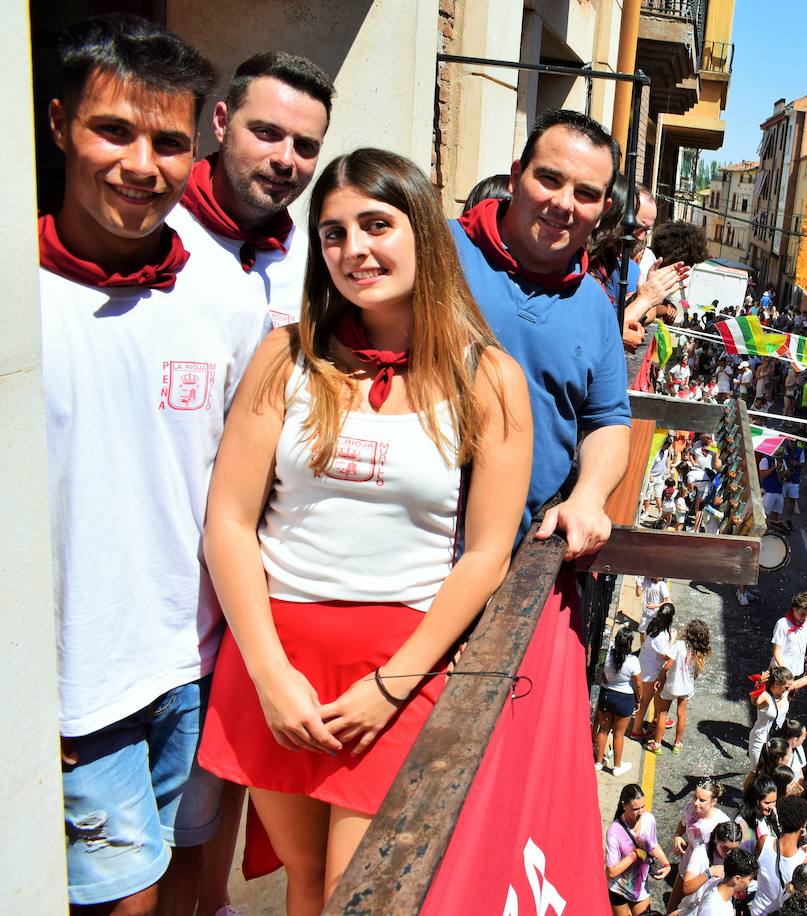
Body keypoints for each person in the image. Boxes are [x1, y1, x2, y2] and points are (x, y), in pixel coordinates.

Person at [198, 147, 532, 910]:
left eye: (376, 225)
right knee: (305, 884)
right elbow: (230, 519)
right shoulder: (286, 359)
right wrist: (269, 673)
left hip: (399, 663)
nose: (354, 250)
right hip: (275, 658)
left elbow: (485, 554)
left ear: (421, 230)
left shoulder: (490, 380)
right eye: (333, 233)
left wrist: (395, 683)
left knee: (361, 894)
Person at [41, 15, 228, 913]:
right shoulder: (18, 293)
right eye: (112, 130)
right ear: (56, 125)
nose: (142, 165)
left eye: (168, 142)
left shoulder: (222, 299)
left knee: (193, 885)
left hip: (195, 672)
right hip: (76, 695)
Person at [451, 108, 632, 555]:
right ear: (516, 177)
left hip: (510, 560)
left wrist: (588, 495)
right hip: (400, 548)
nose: (564, 204)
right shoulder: (439, 249)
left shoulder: (595, 305)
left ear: (603, 209)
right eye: (549, 179)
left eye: (586, 193)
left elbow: (608, 419)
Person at [168, 51, 333, 330]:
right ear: (222, 122)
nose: (284, 159)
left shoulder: (315, 268)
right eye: (267, 132)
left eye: (305, 146)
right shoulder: (152, 230)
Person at [750, 663, 807, 766]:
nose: (789, 689)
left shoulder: (785, 692)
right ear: (776, 684)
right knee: (756, 770)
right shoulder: (765, 696)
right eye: (786, 687)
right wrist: (758, 685)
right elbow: (754, 701)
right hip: (760, 739)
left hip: (777, 738)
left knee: (774, 769)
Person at [606, 783, 672, 915]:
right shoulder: (614, 830)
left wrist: (666, 863)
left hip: (640, 888)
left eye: (643, 807)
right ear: (624, 805)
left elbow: (653, 845)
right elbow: (611, 872)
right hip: (618, 888)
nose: (641, 812)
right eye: (636, 809)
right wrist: (636, 854)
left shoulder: (649, 820)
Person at [754, 797, 807, 915]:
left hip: (758, 910)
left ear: (780, 821)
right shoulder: (806, 860)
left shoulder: (763, 842)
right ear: (803, 824)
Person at [659, 619, 713, 753]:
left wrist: (660, 678)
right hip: (686, 687)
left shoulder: (679, 645)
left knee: (663, 713)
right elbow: (696, 673)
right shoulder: (698, 652)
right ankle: (677, 743)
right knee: (681, 715)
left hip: (672, 684)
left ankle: (657, 744)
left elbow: (667, 665)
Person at [594, 628, 643, 775]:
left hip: (606, 695)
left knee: (603, 730)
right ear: (629, 644)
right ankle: (617, 766)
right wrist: (638, 700)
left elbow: (601, 671)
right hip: (625, 699)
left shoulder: (608, 654)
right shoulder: (633, 661)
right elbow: (638, 684)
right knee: (618, 734)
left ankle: (598, 761)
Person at [630, 603, 677, 745]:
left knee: (657, 695)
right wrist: (673, 640)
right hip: (650, 673)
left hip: (645, 666)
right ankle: (636, 730)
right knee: (644, 701)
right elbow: (665, 656)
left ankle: (657, 719)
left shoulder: (653, 626)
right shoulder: (661, 636)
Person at [681, 820, 743, 898]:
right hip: (696, 905)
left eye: (734, 849)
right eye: (725, 848)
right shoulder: (701, 853)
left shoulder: (736, 856)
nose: (729, 852)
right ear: (716, 839)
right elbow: (686, 888)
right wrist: (709, 873)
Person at [693, 848, 760, 916]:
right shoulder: (713, 909)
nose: (751, 883)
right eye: (749, 879)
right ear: (736, 879)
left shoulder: (718, 884)